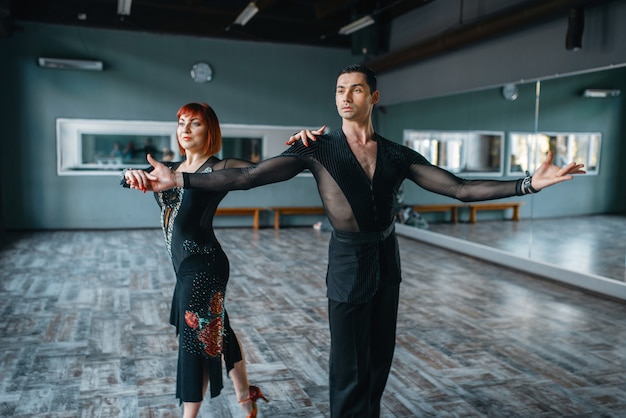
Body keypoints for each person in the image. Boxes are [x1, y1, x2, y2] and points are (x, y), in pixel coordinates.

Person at [126, 65, 586, 418]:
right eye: (340, 90)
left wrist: (528, 184)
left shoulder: (397, 155)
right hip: (347, 259)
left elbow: (460, 189)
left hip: (387, 258)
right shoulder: (316, 148)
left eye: (356, 90)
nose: (346, 97)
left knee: (379, 358)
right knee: (347, 365)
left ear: (373, 98)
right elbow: (245, 177)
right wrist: (182, 182)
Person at [122, 103, 291, 418]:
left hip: (203, 267)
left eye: (195, 123)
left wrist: (301, 150)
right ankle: (246, 396)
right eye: (181, 123)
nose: (185, 129)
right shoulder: (169, 168)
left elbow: (263, 171)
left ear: (209, 131)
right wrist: (129, 174)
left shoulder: (218, 167)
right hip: (183, 268)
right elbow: (127, 179)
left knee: (195, 344)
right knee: (218, 327)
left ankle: (190, 416)